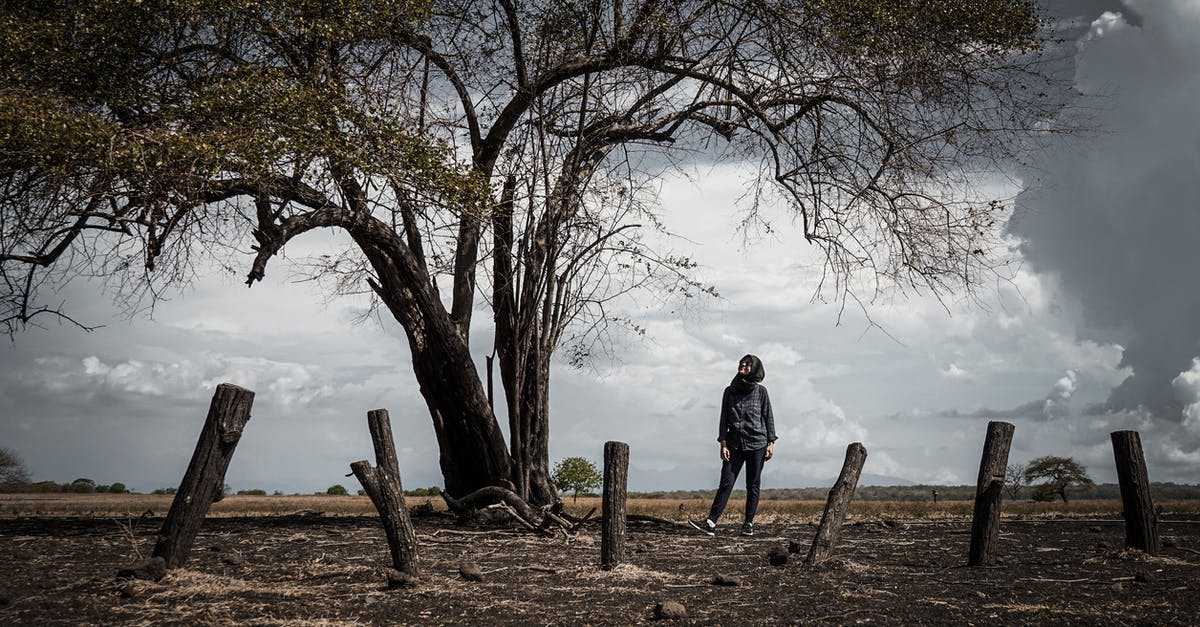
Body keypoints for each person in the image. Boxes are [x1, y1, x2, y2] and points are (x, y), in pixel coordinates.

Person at [689, 354, 776, 537]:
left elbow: (768, 417)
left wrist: (770, 442)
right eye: (741, 363)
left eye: (747, 364)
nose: (743, 366)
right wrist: (723, 443)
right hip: (734, 445)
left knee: (753, 484)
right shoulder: (729, 391)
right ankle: (711, 523)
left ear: (755, 369)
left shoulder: (761, 392)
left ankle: (748, 524)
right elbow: (723, 419)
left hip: (757, 444)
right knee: (726, 482)